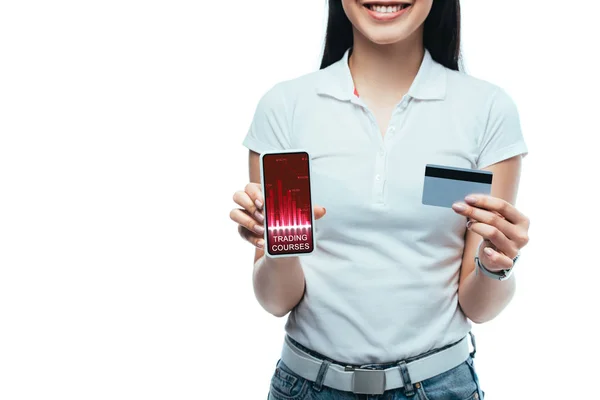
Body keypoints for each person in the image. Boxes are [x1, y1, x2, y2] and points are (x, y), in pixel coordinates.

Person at [229, 0, 530, 398]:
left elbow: (478, 307)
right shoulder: (285, 108)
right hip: (308, 386)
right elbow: (276, 301)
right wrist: (276, 247)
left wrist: (496, 264)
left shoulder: (487, 110)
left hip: (439, 387)